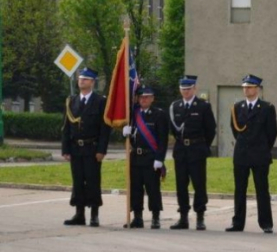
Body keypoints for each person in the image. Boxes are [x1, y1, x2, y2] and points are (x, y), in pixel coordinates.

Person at [226, 74, 277, 233]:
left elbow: (272, 133)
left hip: (260, 154)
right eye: (244, 87)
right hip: (241, 154)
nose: (246, 90)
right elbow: (235, 131)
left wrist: (262, 147)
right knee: (239, 189)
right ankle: (238, 223)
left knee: (262, 190)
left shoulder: (267, 108)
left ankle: (266, 223)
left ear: (257, 89)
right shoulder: (237, 107)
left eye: (249, 87)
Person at [62, 68, 111, 227]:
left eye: (85, 79)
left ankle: (94, 214)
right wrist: (65, 149)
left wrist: (101, 150)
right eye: (80, 79)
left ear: (92, 82)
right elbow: (66, 127)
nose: (81, 81)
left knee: (92, 181)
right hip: (76, 148)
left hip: (92, 148)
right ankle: (79, 214)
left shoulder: (100, 101)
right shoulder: (72, 101)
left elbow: (105, 128)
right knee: (77, 181)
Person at [168, 75, 216, 231]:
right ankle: (183, 217)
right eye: (183, 89)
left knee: (199, 184)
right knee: (181, 185)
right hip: (181, 150)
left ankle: (200, 217)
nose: (185, 92)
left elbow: (210, 130)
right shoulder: (175, 106)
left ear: (194, 88)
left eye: (188, 89)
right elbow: (174, 131)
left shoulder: (203, 106)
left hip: (197, 149)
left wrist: (202, 145)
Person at [122, 86, 169, 229]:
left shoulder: (159, 115)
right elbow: (130, 137)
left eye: (147, 97)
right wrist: (124, 133)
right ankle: (137, 217)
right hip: (135, 156)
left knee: (153, 188)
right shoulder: (132, 114)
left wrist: (160, 159)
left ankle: (155, 217)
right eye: (141, 97)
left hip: (151, 157)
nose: (144, 99)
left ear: (152, 99)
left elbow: (163, 140)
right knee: (135, 188)